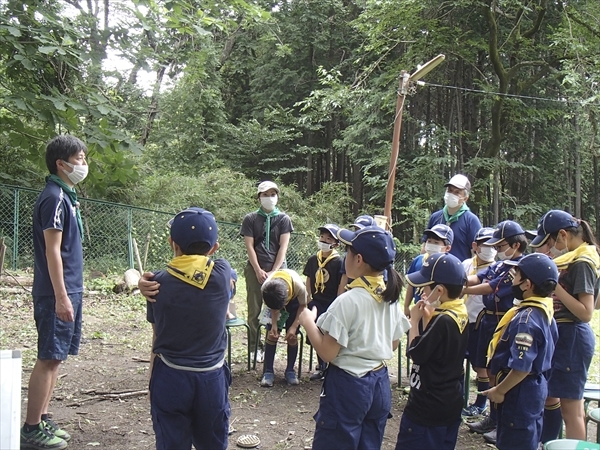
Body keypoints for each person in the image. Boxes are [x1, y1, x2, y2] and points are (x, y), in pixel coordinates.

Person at [299, 225, 409, 450]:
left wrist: (307, 321)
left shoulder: (348, 300)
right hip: (379, 382)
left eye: (348, 250)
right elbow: (394, 343)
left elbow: (328, 353)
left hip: (348, 385)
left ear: (358, 259)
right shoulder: (390, 295)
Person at [21, 135, 88, 450]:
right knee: (48, 357)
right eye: (79, 158)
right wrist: (61, 297)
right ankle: (31, 427)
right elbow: (53, 251)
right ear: (61, 164)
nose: (83, 164)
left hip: (70, 288)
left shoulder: (67, 195)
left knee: (56, 357)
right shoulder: (54, 198)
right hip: (55, 293)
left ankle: (43, 417)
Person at [146, 207, 232, 450]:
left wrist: (151, 379)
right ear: (214, 248)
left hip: (170, 376)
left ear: (172, 243)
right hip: (212, 378)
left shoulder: (155, 284)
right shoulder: (223, 273)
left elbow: (156, 336)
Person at [528, 210, 598, 440]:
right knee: (555, 398)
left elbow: (587, 312)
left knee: (572, 410)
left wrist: (554, 286)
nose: (549, 248)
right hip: (563, 333)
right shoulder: (575, 258)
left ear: (563, 234)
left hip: (573, 337)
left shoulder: (581, 263)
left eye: (549, 241)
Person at [484, 253, 559, 450]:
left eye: (516, 275)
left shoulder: (526, 320)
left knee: (515, 440)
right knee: (528, 438)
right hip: (533, 388)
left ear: (527, 284)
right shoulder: (545, 311)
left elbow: (521, 367)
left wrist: (499, 391)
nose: (512, 279)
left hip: (519, 391)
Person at [463, 220, 527, 445]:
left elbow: (492, 287)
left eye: (500, 246)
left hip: (505, 321)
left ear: (515, 245)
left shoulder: (519, 267)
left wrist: (461, 289)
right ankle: (492, 417)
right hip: (488, 319)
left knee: (502, 371)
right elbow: (480, 277)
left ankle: (503, 423)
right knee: (489, 370)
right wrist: (458, 279)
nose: (497, 251)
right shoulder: (501, 264)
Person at [240, 181, 293, 363]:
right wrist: (258, 269)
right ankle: (255, 347)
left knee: (275, 309)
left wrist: (273, 272)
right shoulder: (250, 219)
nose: (269, 198)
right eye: (265, 194)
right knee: (254, 310)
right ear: (259, 197)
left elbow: (283, 248)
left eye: (272, 194)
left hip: (278, 271)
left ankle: (271, 344)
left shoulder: (284, 219)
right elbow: (249, 246)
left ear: (277, 196)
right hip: (255, 269)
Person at [461, 227, 497, 417]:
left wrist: (463, 289)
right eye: (485, 244)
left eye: (494, 245)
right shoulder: (466, 264)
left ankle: (481, 403)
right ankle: (458, 397)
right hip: (462, 320)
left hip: (482, 323)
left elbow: (487, 288)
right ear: (475, 246)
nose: (490, 248)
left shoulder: (497, 268)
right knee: (458, 361)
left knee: (481, 366)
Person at [303, 224, 344, 381]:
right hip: (316, 302)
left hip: (332, 303)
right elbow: (308, 278)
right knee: (316, 332)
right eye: (322, 237)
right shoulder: (313, 259)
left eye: (328, 239)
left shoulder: (339, 262)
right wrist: (308, 296)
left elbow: (341, 282)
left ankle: (332, 366)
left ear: (336, 244)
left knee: (330, 334)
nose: (324, 241)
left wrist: (338, 301)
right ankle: (321, 366)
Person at [258, 268, 308, 387]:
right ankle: (268, 372)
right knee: (272, 334)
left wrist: (294, 327)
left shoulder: (299, 286)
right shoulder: (266, 289)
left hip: (296, 303)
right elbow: (273, 306)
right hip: (275, 300)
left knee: (292, 337)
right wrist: (274, 324)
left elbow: (303, 306)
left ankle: (290, 371)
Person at [424, 174, 482, 262]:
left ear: (465, 198)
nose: (452, 194)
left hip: (459, 272)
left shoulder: (471, 220)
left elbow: (476, 252)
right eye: (450, 190)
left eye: (457, 192)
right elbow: (425, 245)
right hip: (434, 269)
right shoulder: (436, 217)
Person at [403, 224, 454, 318]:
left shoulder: (448, 266)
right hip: (418, 309)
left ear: (447, 248)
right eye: (429, 241)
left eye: (436, 242)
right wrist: (406, 306)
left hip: (438, 313)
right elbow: (411, 285)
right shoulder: (419, 260)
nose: (431, 245)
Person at [337, 215, 376, 296]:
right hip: (350, 296)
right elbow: (344, 277)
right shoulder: (350, 253)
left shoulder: (376, 257)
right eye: (356, 230)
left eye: (361, 230)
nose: (357, 233)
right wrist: (339, 299)